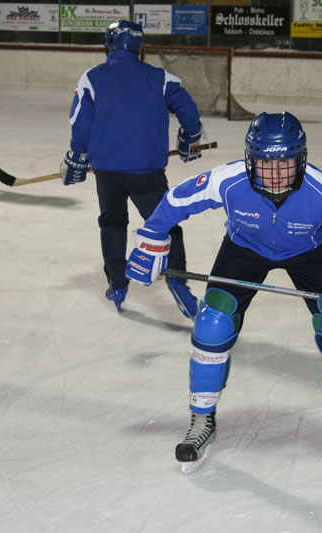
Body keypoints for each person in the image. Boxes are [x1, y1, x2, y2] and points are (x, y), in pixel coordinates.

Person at [124, 112, 322, 477]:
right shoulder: (229, 180)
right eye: (264, 163)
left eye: (285, 163)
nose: (274, 174)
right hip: (243, 248)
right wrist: (151, 238)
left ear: (301, 159)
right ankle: (201, 418)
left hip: (310, 252)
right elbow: (178, 199)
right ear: (249, 159)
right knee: (212, 323)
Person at [61, 20, 202, 317]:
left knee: (112, 224)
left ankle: (117, 284)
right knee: (166, 225)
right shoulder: (160, 77)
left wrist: (77, 157)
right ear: (139, 47)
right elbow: (188, 109)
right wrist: (189, 138)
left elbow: (81, 123)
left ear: (109, 45)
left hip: (108, 173)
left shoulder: (92, 77)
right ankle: (177, 280)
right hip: (147, 173)